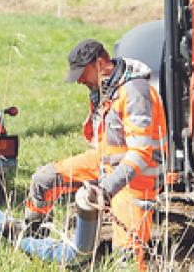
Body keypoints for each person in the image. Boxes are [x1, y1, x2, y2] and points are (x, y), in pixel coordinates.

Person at [16, 39, 167, 268]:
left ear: (99, 64)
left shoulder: (134, 92)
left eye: (81, 73)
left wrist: (106, 188)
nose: (79, 80)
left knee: (126, 260)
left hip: (134, 180)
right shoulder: (105, 89)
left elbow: (140, 154)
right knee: (44, 180)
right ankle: (31, 242)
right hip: (105, 163)